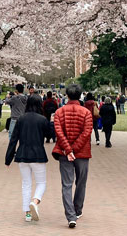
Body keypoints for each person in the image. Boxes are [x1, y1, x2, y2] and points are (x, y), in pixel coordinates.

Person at [5, 94, 54, 222]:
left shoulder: (21, 119)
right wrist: (52, 123)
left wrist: (8, 158)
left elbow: (13, 139)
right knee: (41, 183)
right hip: (38, 155)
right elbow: (50, 134)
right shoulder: (42, 119)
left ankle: (27, 213)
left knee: (26, 184)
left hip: (22, 154)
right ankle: (35, 201)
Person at [52, 83, 93, 228]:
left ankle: (70, 215)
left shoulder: (59, 112)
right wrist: (74, 150)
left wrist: (69, 150)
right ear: (80, 95)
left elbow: (59, 132)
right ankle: (77, 209)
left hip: (64, 152)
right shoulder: (86, 112)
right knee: (81, 182)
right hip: (81, 153)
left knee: (66, 184)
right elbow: (87, 132)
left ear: (67, 96)